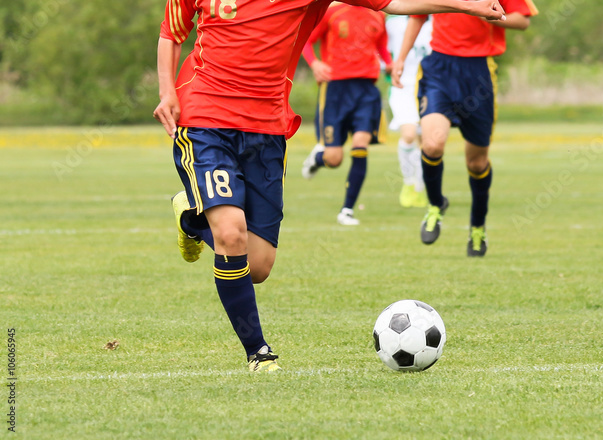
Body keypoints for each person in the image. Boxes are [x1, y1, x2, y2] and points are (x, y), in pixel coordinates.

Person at [153, 0, 506, 372]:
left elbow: (393, 3)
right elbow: (171, 32)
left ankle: (193, 219)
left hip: (267, 128)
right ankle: (258, 352)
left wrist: (466, 5)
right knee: (230, 235)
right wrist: (167, 91)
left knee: (256, 267)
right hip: (204, 119)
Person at [391, 0, 537, 257]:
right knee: (432, 144)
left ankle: (477, 227)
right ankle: (436, 205)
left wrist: (492, 17)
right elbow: (417, 15)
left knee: (477, 163)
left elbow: (523, 20)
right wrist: (400, 58)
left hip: (479, 73)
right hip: (440, 69)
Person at [300, 3, 394, 226]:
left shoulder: (379, 14)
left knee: (361, 144)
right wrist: (315, 65)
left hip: (366, 91)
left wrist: (390, 63)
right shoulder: (332, 10)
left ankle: (347, 210)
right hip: (336, 90)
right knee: (334, 159)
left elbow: (381, 45)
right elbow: (306, 40)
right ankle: (318, 158)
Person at [386, 14, 434, 208]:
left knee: (429, 143)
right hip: (402, 87)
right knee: (408, 134)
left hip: (431, 87)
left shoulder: (438, 22)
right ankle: (408, 183)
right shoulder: (393, 24)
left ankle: (420, 188)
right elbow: (383, 49)